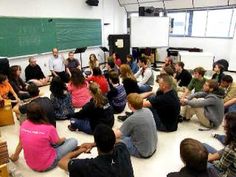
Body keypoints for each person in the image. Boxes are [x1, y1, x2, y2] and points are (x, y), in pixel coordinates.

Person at [10, 102, 78, 172]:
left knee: (47, 142)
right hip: (47, 165)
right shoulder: (49, 128)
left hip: (30, 164)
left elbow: (20, 144)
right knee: (73, 141)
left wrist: (15, 156)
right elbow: (57, 143)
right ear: (42, 113)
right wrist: (63, 139)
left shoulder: (24, 124)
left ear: (27, 114)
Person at [58, 124, 134, 177]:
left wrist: (81, 150)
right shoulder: (122, 148)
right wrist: (93, 144)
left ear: (97, 144)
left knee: (75, 171)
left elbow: (61, 162)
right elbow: (117, 141)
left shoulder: (91, 166)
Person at [114, 93, 157, 158]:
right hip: (153, 147)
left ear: (130, 105)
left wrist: (114, 130)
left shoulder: (131, 119)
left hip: (142, 152)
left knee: (115, 140)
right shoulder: (148, 110)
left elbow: (116, 135)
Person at [204, 112, 236, 177]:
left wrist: (211, 159)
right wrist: (212, 156)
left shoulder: (231, 149)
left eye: (225, 123)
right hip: (227, 160)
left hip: (225, 173)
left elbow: (220, 167)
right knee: (203, 145)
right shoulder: (232, 143)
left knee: (197, 160)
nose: (223, 125)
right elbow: (224, 150)